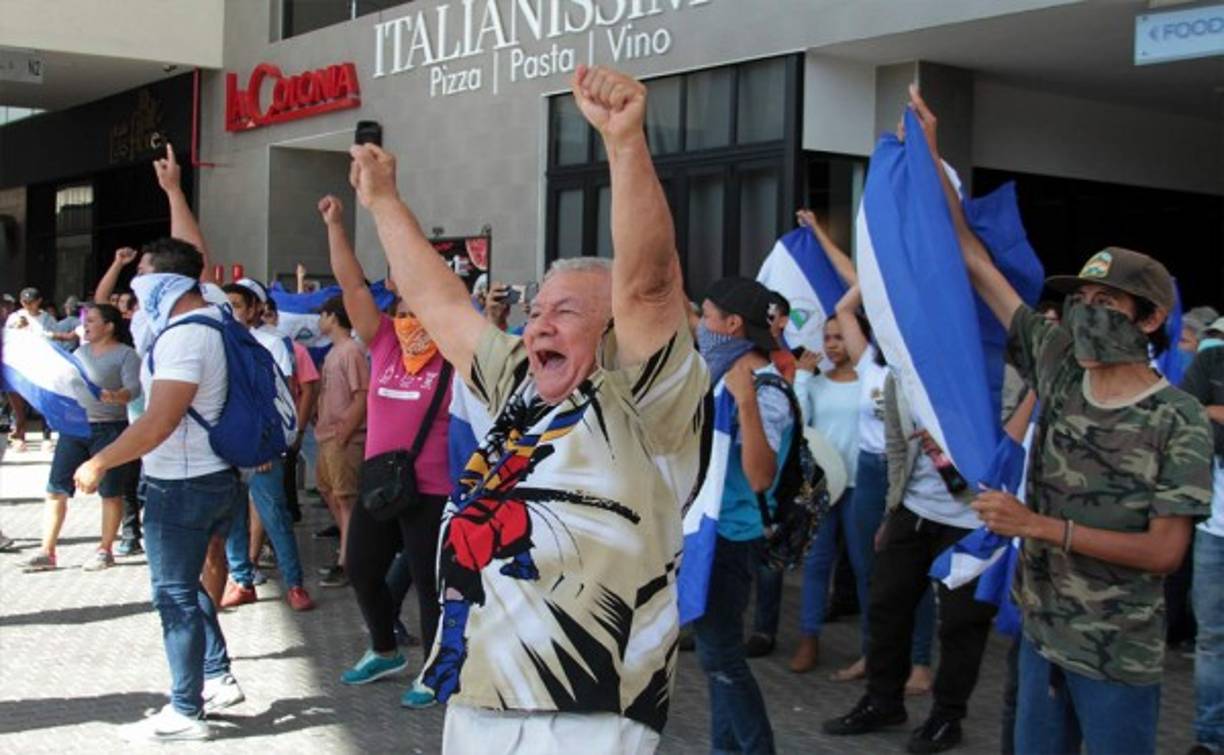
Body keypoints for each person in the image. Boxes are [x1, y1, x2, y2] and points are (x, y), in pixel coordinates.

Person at [349, 64, 707, 753]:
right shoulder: (518, 383)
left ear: (612, 333)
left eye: (565, 311)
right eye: (536, 309)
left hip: (589, 709)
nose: (538, 324)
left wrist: (625, 142)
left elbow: (651, 285)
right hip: (477, 694)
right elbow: (440, 302)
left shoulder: (649, 407)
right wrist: (383, 201)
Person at [901, 86, 1212, 754]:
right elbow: (975, 259)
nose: (1087, 312)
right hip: (1042, 637)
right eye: (1082, 298)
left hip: (1116, 652)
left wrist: (1039, 525)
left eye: (1108, 301)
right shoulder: (1061, 364)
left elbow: (1164, 551)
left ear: (1151, 317)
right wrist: (931, 158)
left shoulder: (1177, 416)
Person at [73, 238, 246, 742]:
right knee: (186, 586)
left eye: (143, 276)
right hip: (213, 476)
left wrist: (100, 461)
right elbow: (191, 249)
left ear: (164, 283)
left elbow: (160, 420)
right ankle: (216, 675)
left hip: (183, 484)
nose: (135, 289)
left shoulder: (184, 338)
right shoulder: (214, 313)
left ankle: (186, 710)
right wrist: (173, 190)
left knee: (173, 595)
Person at [318, 193, 452, 707]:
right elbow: (352, 285)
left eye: (416, 297)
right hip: (382, 477)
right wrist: (337, 225)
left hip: (434, 485)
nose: (406, 308)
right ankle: (384, 648)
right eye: (400, 300)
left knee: (428, 583)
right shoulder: (387, 339)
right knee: (360, 565)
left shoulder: (456, 344)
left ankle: (438, 670)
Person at [694, 276, 797, 753]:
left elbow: (760, 477)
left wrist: (747, 402)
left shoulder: (764, 389)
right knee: (717, 658)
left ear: (733, 325)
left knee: (721, 656)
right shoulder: (719, 372)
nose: (702, 325)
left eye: (709, 317)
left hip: (733, 535)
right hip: (709, 531)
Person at [215, 280, 314, 613]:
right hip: (224, 445)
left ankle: (295, 584)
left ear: (256, 309)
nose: (231, 311)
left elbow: (281, 396)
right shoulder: (214, 340)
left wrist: (264, 444)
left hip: (261, 448)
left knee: (275, 516)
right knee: (232, 517)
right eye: (225, 304)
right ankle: (241, 579)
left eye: (238, 305)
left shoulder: (272, 343)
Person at [19, 304, 140, 572]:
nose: (85, 325)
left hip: (110, 428)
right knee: (56, 490)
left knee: (110, 492)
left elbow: (133, 389)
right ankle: (46, 551)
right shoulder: (79, 352)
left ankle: (104, 549)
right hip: (75, 429)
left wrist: (117, 396)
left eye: (92, 321)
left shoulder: (126, 355)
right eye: (85, 321)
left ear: (109, 326)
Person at [787, 315, 862, 673]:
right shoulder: (817, 384)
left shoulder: (873, 381)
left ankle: (872, 648)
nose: (832, 344)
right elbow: (799, 423)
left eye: (841, 337)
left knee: (865, 567)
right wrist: (802, 377)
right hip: (825, 484)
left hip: (862, 485)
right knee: (816, 564)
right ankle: (808, 638)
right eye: (828, 337)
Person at [1185, 315, 1224, 755]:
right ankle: (1210, 739)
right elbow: (1191, 420)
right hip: (1216, 528)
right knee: (1212, 641)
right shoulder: (1213, 357)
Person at [313, 294, 369, 588]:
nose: (318, 321)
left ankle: (347, 561)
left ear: (333, 317)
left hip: (342, 437)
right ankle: (348, 550)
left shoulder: (351, 351)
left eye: (322, 315)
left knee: (346, 499)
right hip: (329, 436)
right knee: (331, 493)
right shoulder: (335, 352)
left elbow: (362, 396)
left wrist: (344, 432)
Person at [5, 287, 58, 452]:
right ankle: (19, 436)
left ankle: (46, 435)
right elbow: (7, 337)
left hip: (41, 363)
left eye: (31, 302)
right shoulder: (15, 317)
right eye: (24, 302)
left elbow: (55, 337)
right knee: (17, 403)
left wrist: (35, 331)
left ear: (38, 301)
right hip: (19, 363)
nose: (28, 306)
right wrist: (16, 328)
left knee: (43, 401)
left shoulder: (47, 318)